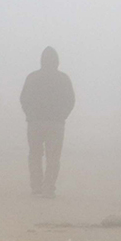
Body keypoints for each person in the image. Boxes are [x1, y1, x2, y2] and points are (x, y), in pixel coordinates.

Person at [20, 46, 75, 198]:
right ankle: (49, 187)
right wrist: (62, 116)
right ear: (57, 61)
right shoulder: (63, 78)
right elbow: (70, 100)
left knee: (35, 155)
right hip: (56, 124)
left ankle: (36, 186)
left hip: (35, 123)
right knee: (53, 157)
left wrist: (30, 114)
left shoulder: (32, 77)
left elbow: (24, 99)